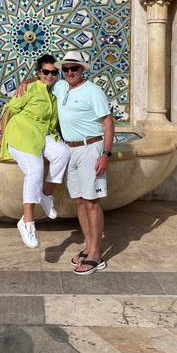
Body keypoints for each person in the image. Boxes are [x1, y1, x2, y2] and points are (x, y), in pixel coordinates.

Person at [0, 54, 70, 249]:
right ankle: (27, 222)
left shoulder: (55, 93)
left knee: (63, 153)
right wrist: (2, 137)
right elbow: (8, 111)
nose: (50, 75)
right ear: (39, 73)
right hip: (22, 135)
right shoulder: (29, 89)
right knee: (35, 169)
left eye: (53, 72)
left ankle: (46, 195)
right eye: (46, 72)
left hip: (43, 135)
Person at [52, 50, 114, 275]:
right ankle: (89, 247)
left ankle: (96, 255)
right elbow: (41, 78)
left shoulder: (93, 91)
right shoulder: (60, 87)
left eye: (74, 68)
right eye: (65, 69)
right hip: (71, 150)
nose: (69, 72)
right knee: (79, 201)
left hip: (91, 149)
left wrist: (105, 154)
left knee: (92, 202)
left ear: (82, 70)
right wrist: (25, 83)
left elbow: (108, 122)